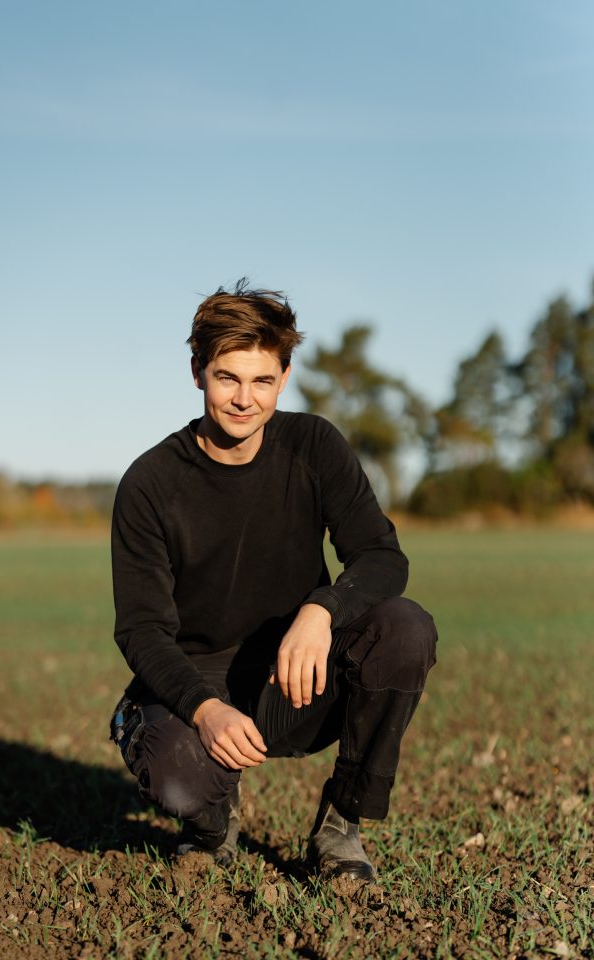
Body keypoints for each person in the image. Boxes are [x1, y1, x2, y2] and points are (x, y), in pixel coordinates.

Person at [110, 280, 437, 880]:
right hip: (201, 674)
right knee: (181, 775)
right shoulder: (150, 484)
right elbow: (141, 629)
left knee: (404, 627)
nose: (244, 399)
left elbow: (381, 556)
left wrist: (321, 611)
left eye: (262, 381)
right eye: (226, 378)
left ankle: (342, 823)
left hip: (296, 669)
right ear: (196, 372)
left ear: (284, 377)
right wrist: (203, 709)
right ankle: (211, 824)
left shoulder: (314, 445)